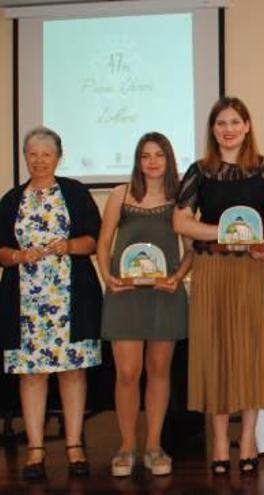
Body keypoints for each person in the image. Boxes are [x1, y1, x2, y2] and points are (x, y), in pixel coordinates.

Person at [173, 97, 264, 475]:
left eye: (235, 121)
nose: (228, 128)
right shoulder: (199, 171)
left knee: (251, 352)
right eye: (221, 122)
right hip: (211, 269)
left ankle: (250, 437)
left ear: (247, 126)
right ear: (212, 129)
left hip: (255, 271)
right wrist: (223, 231)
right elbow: (182, 222)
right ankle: (221, 439)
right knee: (216, 352)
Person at [0, 127, 102, 479]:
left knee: (73, 372)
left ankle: (75, 447)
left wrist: (69, 246)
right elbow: (0, 250)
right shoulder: (12, 199)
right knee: (31, 375)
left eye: (46, 154)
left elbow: (94, 240)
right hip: (25, 303)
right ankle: (35, 451)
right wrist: (16, 255)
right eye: (32, 154)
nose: (39, 160)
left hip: (70, 300)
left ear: (59, 157)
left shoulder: (74, 192)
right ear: (25, 157)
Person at [97, 132, 193, 477]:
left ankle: (153, 445)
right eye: (145, 156)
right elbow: (104, 241)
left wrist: (177, 277)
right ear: (138, 161)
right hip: (124, 294)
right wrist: (108, 276)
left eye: (159, 155)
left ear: (169, 159)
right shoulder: (120, 194)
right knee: (126, 372)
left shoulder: (180, 196)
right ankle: (126, 445)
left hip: (164, 295)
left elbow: (190, 249)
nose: (152, 162)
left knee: (159, 371)